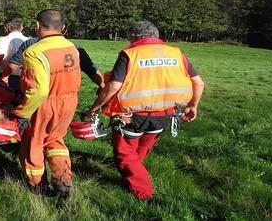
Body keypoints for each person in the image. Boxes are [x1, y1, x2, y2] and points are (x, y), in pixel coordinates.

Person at [86, 21, 205, 200]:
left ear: (134, 37)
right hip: (165, 114)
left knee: (125, 154)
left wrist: (95, 107)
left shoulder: (130, 54)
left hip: (133, 116)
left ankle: (144, 193)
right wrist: (193, 105)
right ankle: (135, 170)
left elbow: (114, 85)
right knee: (142, 148)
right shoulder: (177, 53)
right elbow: (199, 82)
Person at [13, 9, 81, 198]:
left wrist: (23, 112)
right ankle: (63, 180)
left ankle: (37, 186)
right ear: (63, 27)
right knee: (56, 140)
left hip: (45, 104)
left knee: (33, 143)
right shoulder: (71, 47)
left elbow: (38, 90)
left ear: (37, 25)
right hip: (69, 101)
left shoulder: (34, 52)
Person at [0, 35, 105, 93]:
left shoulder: (32, 44)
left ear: (38, 26)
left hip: (38, 95)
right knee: (57, 131)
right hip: (66, 98)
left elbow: (12, 66)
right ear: (64, 30)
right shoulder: (75, 48)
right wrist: (103, 86)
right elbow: (92, 71)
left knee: (30, 128)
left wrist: (3, 78)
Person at [0, 19, 28, 91]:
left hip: (6, 77)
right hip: (24, 77)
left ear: (7, 29)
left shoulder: (4, 39)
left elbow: (0, 55)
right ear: (21, 28)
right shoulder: (28, 41)